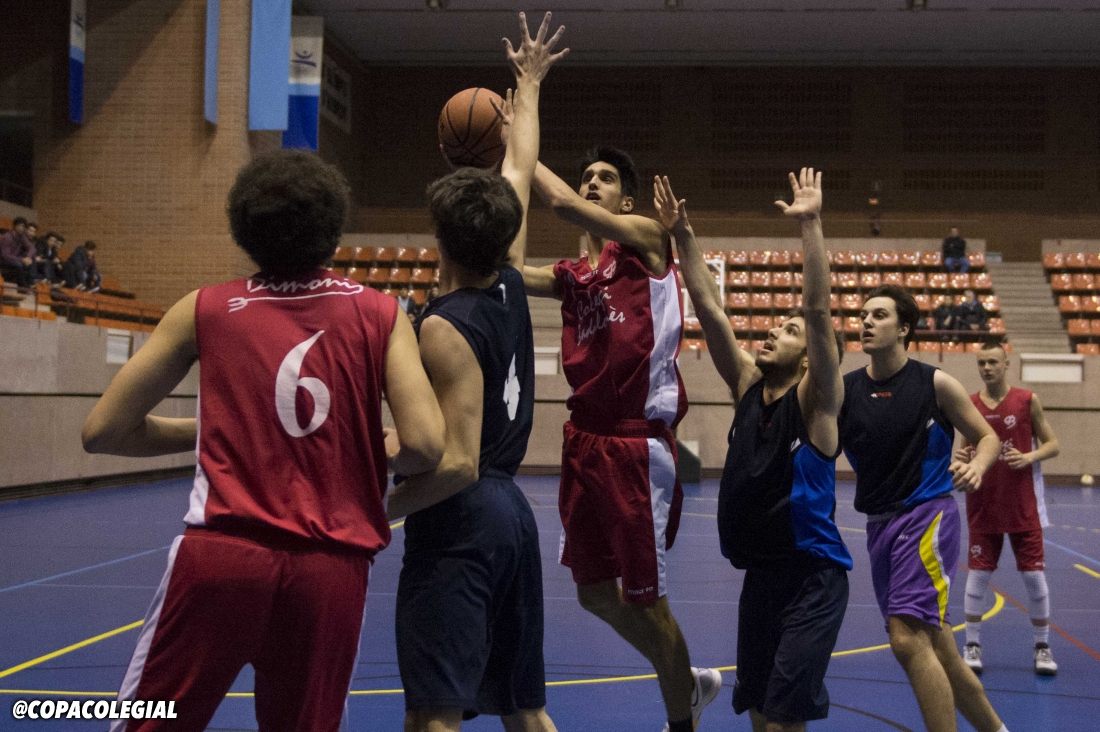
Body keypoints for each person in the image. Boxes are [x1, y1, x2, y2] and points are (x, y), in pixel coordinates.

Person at [81, 148, 445, 732]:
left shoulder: (205, 308)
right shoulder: (380, 313)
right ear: (333, 225)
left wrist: (223, 428)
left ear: (243, 226)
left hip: (223, 557)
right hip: (331, 569)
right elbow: (426, 445)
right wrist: (362, 442)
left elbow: (103, 431)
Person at [385, 13, 566, 732]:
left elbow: (455, 464)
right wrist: (530, 84)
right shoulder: (512, 280)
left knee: (434, 714)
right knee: (526, 711)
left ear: (440, 238)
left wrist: (374, 514)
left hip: (460, 520)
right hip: (512, 515)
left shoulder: (443, 325)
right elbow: (517, 171)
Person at [519, 151, 721, 730]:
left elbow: (560, 202)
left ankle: (681, 715)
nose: (591, 183)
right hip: (583, 441)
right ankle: (684, 678)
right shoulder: (572, 276)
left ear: (626, 202)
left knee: (646, 600)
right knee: (592, 592)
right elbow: (508, 272)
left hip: (635, 444)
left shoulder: (646, 242)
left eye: (604, 178)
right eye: (587, 176)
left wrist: (515, 142)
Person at [657, 170, 851, 732]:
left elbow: (818, 311)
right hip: (761, 577)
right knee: (761, 713)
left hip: (811, 578)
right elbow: (709, 308)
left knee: (786, 716)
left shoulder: (816, 402)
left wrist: (810, 224)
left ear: (810, 357)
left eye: (787, 330)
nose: (771, 332)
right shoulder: (747, 386)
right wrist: (682, 233)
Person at [840, 284, 1010, 732]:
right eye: (863, 314)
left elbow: (987, 437)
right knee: (941, 650)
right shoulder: (847, 390)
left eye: (879, 315)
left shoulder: (935, 383)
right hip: (879, 525)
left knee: (906, 639)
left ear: (904, 328)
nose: (866, 321)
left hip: (926, 515)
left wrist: (978, 466)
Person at [954, 341, 1060, 676]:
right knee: (978, 576)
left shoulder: (1027, 400)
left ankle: (1042, 647)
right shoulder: (969, 404)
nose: (986, 368)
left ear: (1006, 364)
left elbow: (1053, 444)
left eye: (992, 362)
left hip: (1023, 506)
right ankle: (972, 644)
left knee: (1034, 579)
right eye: (981, 363)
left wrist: (1029, 456)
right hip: (983, 505)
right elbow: (965, 451)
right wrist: (962, 459)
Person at [0, 216, 36, 288]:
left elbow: (32, 248)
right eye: (19, 226)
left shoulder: (22, 236)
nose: (21, 228)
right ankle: (22, 288)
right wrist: (22, 259)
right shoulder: (7, 237)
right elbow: (5, 255)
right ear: (14, 226)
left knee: (32, 258)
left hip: (14, 258)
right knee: (18, 264)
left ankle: (31, 283)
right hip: (3, 260)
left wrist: (28, 257)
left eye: (23, 227)